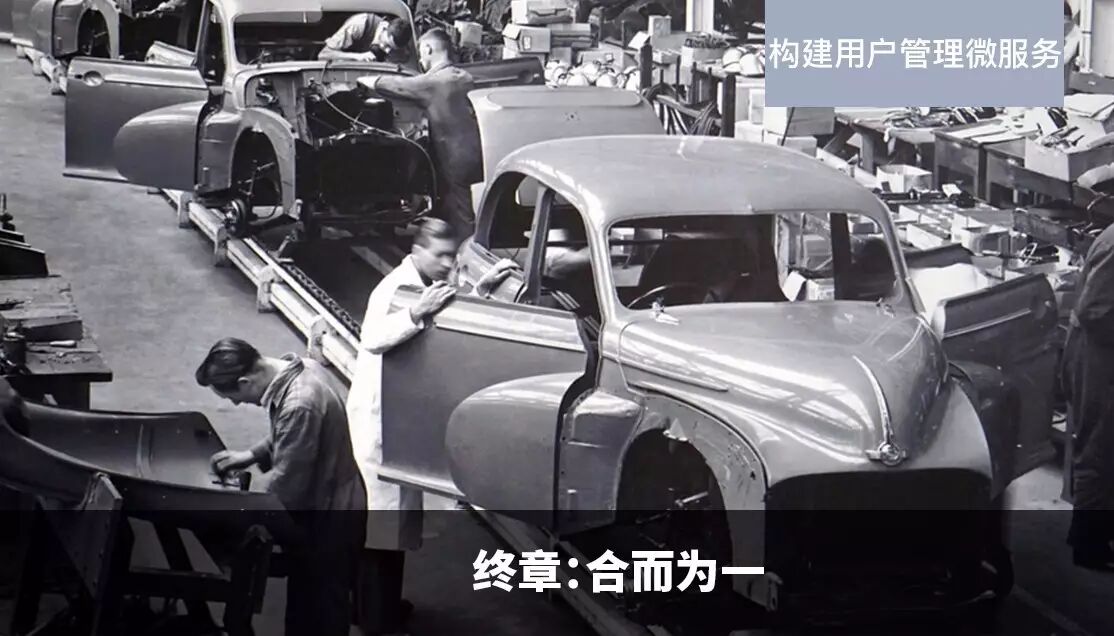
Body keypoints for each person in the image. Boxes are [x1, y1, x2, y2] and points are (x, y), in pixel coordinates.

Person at [347, 218, 516, 635]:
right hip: (380, 423)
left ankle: (382, 607)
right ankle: (376, 619)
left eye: (452, 255)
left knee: (393, 528)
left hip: (401, 420)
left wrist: (480, 291)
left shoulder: (426, 284)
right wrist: (413, 312)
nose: (447, 263)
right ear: (417, 250)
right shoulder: (394, 289)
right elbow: (372, 337)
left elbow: (446, 323)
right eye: (440, 255)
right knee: (381, 529)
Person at [197, 338, 366, 636]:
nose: (236, 404)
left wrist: (234, 513)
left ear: (245, 381)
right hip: (331, 496)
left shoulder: (300, 404)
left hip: (330, 514)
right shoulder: (301, 368)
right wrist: (251, 455)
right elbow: (290, 433)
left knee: (321, 612)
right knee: (306, 599)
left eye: (234, 397)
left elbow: (286, 488)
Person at [357, 28, 482, 239]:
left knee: (461, 213)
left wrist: (365, 80)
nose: (421, 60)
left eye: (422, 52)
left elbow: (399, 86)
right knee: (456, 206)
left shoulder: (435, 82)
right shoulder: (464, 77)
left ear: (428, 49)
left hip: (453, 157)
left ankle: (466, 251)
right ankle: (447, 244)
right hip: (475, 151)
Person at [1061, 223, 1114, 571]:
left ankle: (1095, 532)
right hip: (1099, 358)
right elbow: (1096, 311)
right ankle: (1088, 544)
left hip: (1101, 353)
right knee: (1099, 448)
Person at [319, 13, 413, 65]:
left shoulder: (402, 51)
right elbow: (324, 54)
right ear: (384, 28)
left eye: (392, 49)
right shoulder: (359, 25)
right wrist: (358, 57)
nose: (387, 51)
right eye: (387, 45)